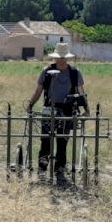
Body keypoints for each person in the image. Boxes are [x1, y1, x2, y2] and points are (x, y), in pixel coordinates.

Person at [25, 43, 87, 183]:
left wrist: (86, 110)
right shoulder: (46, 72)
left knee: (62, 141)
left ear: (67, 58)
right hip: (49, 110)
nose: (60, 60)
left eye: (63, 57)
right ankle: (42, 170)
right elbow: (38, 91)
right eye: (58, 57)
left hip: (67, 111)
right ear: (55, 58)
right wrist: (30, 105)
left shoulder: (74, 73)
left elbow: (81, 93)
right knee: (45, 141)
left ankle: (60, 170)